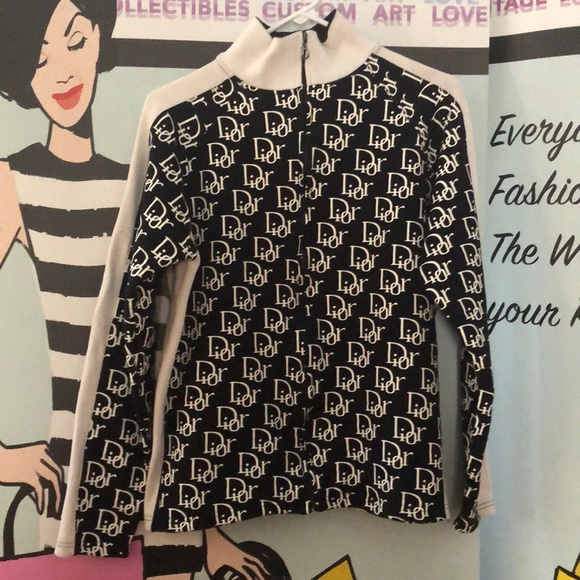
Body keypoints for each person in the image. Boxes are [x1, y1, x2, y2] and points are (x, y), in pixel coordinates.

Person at [0, 2, 279, 577]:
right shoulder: (16, 180)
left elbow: (173, 351)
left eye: (76, 42)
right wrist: (8, 462)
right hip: (76, 476)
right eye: (40, 58)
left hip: (171, 483)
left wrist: (209, 535)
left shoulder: (144, 178)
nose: (62, 71)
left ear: (101, 37)